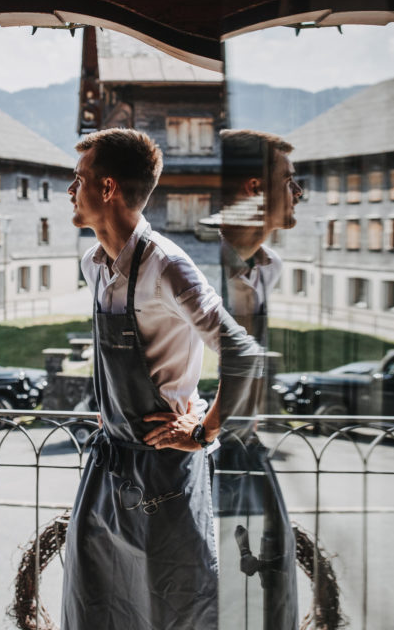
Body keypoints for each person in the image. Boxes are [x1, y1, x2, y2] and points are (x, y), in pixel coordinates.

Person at [61, 128, 262, 630]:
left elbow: (241, 352)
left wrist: (204, 429)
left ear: (107, 189)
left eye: (78, 178)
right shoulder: (94, 264)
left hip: (165, 475)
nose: (70, 189)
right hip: (110, 464)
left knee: (175, 606)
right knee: (95, 600)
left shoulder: (168, 266)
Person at [215, 128, 303, 630]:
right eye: (291, 181)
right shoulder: (191, 269)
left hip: (247, 459)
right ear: (254, 189)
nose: (298, 193)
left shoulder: (269, 268)